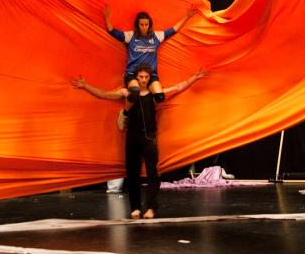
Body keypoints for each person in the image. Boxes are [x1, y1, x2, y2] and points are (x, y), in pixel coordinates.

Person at [72, 64, 208, 219]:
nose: (143, 80)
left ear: (150, 78)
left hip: (149, 137)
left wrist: (194, 78)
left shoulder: (154, 93)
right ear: (135, 78)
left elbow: (177, 87)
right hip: (132, 137)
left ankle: (151, 207)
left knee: (152, 174)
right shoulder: (127, 92)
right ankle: (135, 208)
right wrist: (85, 85)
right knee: (133, 174)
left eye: (146, 77)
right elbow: (104, 94)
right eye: (141, 77)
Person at [103, 4, 196, 102]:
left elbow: (173, 30)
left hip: (151, 75)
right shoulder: (131, 36)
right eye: (141, 25)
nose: (144, 27)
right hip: (132, 73)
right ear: (137, 25)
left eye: (146, 25)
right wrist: (107, 17)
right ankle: (125, 113)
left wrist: (187, 16)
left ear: (149, 25)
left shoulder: (156, 36)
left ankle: (148, 97)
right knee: (135, 92)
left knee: (160, 97)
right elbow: (112, 31)